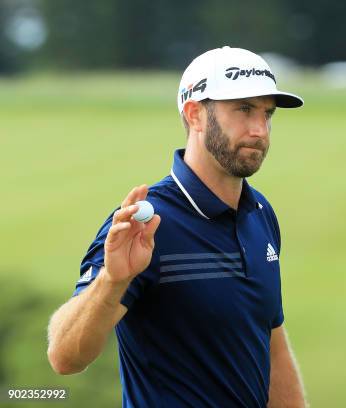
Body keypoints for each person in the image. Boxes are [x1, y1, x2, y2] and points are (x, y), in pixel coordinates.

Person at [47, 46, 307, 408]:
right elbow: (64, 356)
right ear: (195, 114)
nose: (260, 130)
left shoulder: (260, 211)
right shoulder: (146, 221)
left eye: (267, 113)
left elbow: (272, 342)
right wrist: (112, 280)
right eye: (244, 110)